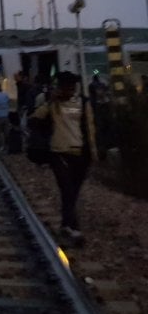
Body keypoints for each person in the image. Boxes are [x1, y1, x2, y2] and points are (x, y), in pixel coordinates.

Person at [28, 71, 96, 246]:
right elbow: (34, 120)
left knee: (72, 193)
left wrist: (94, 152)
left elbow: (90, 127)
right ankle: (73, 228)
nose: (69, 91)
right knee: (66, 190)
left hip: (80, 154)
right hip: (58, 152)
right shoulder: (52, 105)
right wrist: (51, 101)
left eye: (72, 87)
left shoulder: (83, 103)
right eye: (66, 87)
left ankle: (67, 225)